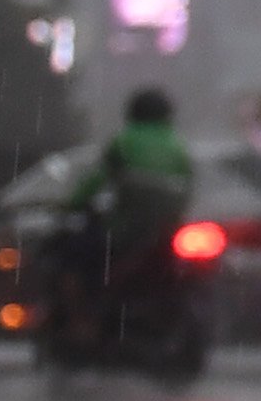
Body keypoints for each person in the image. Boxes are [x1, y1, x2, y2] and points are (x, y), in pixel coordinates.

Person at [52, 87, 195, 351]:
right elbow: (188, 188)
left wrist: (73, 204)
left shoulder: (123, 141)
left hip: (124, 231)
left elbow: (95, 181)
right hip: (166, 232)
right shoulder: (179, 146)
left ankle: (82, 322)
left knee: (71, 260)